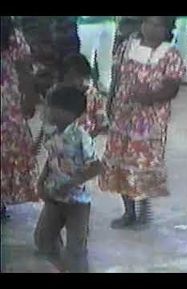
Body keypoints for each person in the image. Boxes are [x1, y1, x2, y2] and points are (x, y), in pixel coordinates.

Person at [100, 16, 186, 230]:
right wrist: (110, 104)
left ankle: (144, 210)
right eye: (147, 22)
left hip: (150, 121)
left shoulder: (171, 54)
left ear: (167, 29)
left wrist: (150, 97)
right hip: (123, 115)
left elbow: (172, 87)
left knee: (142, 164)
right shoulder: (127, 47)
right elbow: (117, 78)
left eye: (158, 24)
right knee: (120, 161)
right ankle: (128, 211)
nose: (150, 28)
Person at [34, 86, 102, 273]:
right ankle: (65, 267)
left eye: (50, 107)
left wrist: (70, 184)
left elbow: (96, 167)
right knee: (43, 240)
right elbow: (52, 158)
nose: (45, 111)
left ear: (68, 113)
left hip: (77, 202)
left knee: (76, 248)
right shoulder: (51, 131)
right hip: (54, 196)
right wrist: (41, 182)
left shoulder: (81, 137)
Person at [1, 16, 39, 219]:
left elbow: (25, 71)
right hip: (8, 103)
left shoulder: (13, 37)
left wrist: (30, 99)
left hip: (7, 105)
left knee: (6, 151)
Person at [77, 16, 117, 92]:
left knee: (92, 59)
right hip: (101, 22)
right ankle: (102, 86)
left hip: (95, 22)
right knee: (101, 59)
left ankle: (94, 87)